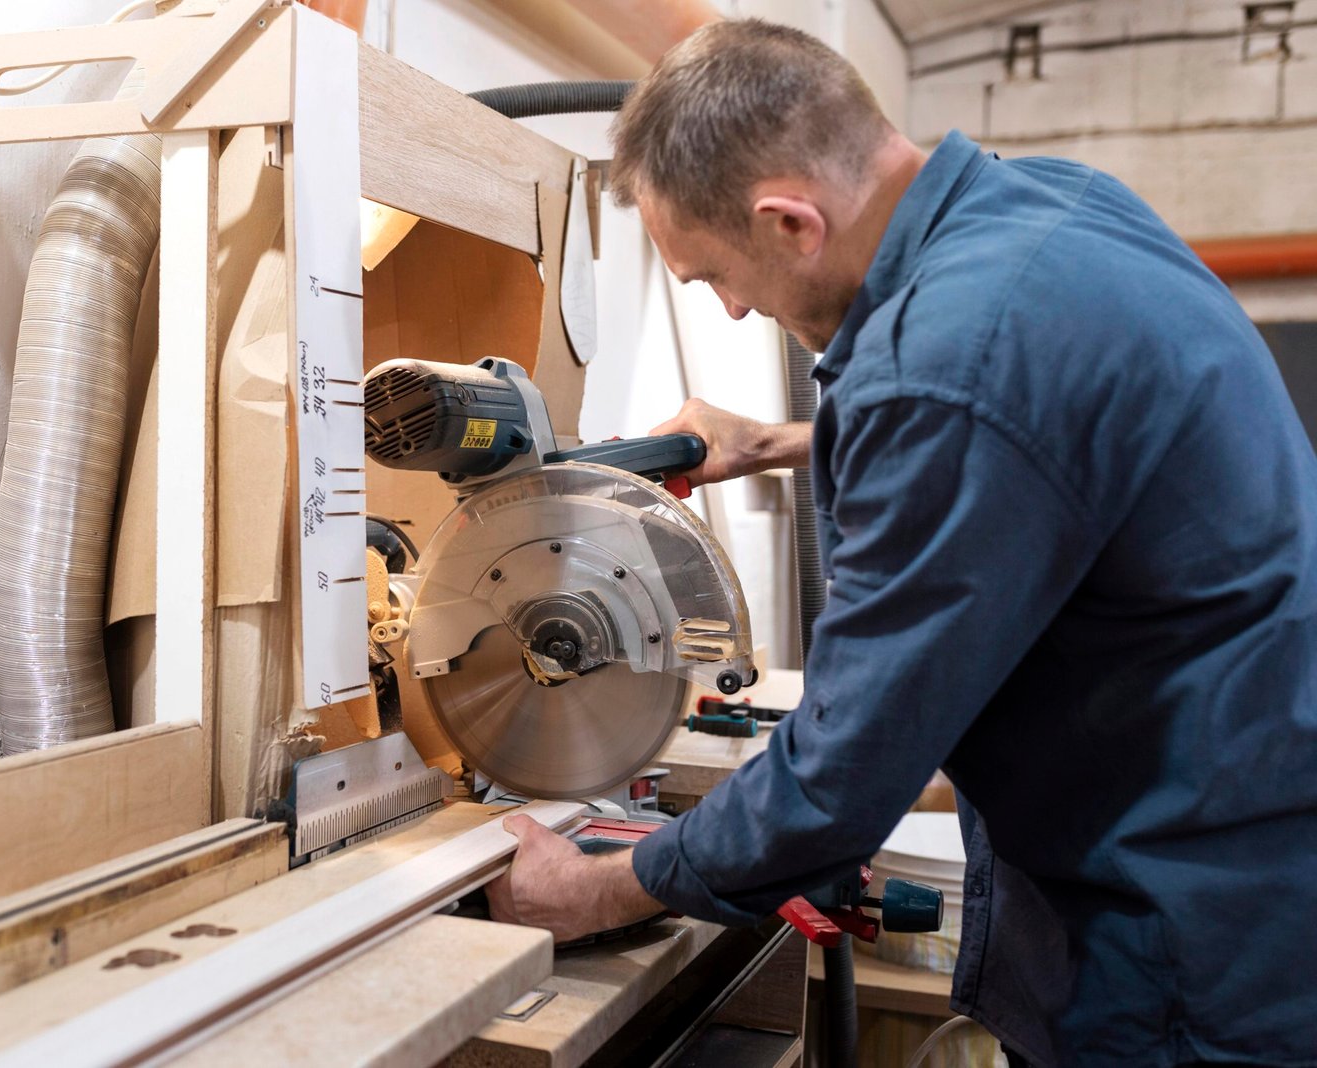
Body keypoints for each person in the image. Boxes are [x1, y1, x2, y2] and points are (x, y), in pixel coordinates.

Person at [485, 18, 1317, 1067]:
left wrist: (593, 888)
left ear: (789, 221)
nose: (734, 310)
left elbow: (838, 784)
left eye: (712, 279)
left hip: (1187, 954)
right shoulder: (1054, 204)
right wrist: (780, 441)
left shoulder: (944, 367)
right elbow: (1037, 431)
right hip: (1257, 856)